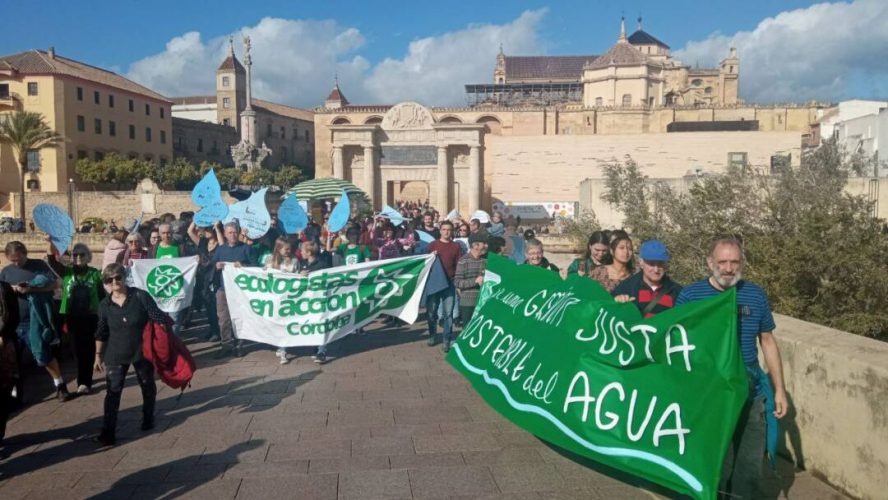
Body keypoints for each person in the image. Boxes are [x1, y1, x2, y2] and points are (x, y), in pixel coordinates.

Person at [676, 237, 787, 498]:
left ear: (742, 263)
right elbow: (676, 343)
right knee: (717, 465)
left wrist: (779, 389)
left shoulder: (755, 294)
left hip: (751, 391)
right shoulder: (691, 295)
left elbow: (768, 342)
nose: (728, 268)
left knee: (749, 466)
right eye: (722, 262)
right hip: (711, 392)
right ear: (710, 263)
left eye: (734, 262)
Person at [93, 263, 172, 446]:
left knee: (147, 385)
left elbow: (159, 317)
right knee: (112, 393)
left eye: (118, 278)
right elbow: (101, 332)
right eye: (109, 279)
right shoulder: (104, 305)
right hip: (115, 352)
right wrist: (98, 355)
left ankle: (147, 418)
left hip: (141, 350)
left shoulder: (140, 296)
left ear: (124, 277)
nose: (114, 282)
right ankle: (108, 432)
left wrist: (162, 338)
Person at [0, 242, 73, 402]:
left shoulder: (38, 265)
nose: (17, 263)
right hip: (12, 323)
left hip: (34, 321)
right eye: (13, 260)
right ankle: (15, 395)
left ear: (25, 253)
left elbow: (56, 284)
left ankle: (60, 385)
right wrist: (11, 288)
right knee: (12, 363)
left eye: (19, 259)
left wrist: (30, 289)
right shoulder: (6, 272)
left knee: (43, 356)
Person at [47, 242, 105, 395]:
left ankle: (84, 382)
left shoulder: (95, 274)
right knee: (77, 351)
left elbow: (102, 295)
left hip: (90, 316)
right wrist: (49, 242)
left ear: (88, 257)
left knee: (89, 349)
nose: (78, 257)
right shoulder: (67, 272)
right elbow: (51, 261)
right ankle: (83, 377)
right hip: (71, 317)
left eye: (82, 254)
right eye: (75, 254)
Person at [211, 222, 254, 358]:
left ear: (239, 232)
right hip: (223, 289)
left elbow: (255, 266)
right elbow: (211, 265)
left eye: (235, 232)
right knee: (223, 318)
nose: (233, 235)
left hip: (240, 290)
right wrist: (216, 266)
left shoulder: (246, 248)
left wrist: (243, 265)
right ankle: (226, 345)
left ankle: (240, 344)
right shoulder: (220, 249)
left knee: (240, 317)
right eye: (230, 233)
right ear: (225, 234)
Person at [611, 240, 682, 317]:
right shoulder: (627, 288)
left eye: (660, 264)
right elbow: (609, 312)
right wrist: (616, 302)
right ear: (641, 263)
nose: (656, 270)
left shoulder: (676, 291)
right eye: (651, 264)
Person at [426, 221, 462, 352]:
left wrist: (458, 283)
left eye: (449, 230)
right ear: (440, 230)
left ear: (452, 231)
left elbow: (459, 265)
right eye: (444, 229)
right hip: (434, 283)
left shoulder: (456, 246)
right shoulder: (432, 245)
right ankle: (432, 335)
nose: (447, 232)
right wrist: (431, 256)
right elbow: (424, 263)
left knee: (448, 313)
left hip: (449, 283)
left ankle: (446, 338)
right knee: (431, 312)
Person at [296, 241, 332, 363]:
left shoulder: (322, 264)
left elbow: (328, 278)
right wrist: (300, 275)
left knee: (321, 323)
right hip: (308, 300)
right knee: (311, 323)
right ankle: (315, 347)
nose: (301, 253)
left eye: (302, 251)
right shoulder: (302, 264)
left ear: (309, 252)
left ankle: (322, 350)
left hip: (320, 300)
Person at [186, 222, 220, 341]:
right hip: (203, 277)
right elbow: (190, 231)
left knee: (216, 305)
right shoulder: (203, 243)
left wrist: (218, 228)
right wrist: (196, 218)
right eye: (204, 229)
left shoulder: (220, 243)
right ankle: (213, 329)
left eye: (207, 229)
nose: (204, 231)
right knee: (208, 305)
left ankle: (218, 331)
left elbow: (222, 245)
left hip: (215, 277)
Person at [266, 237, 297, 364]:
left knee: (287, 322)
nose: (288, 251)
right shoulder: (270, 260)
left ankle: (283, 346)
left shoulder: (295, 260)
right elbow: (262, 274)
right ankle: (282, 348)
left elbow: (297, 275)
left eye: (290, 248)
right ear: (278, 248)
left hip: (290, 297)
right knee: (279, 322)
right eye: (286, 248)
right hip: (276, 297)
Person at [0, 279, 20, 444]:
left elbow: (14, 317)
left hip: (3, 346)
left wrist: (3, 335)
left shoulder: (4, 288)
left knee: (3, 392)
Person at [454, 232, 488, 326]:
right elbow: (457, 282)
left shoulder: (487, 260)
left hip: (483, 302)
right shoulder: (463, 261)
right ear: (475, 245)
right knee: (467, 331)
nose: (486, 246)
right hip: (467, 303)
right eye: (483, 243)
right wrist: (475, 281)